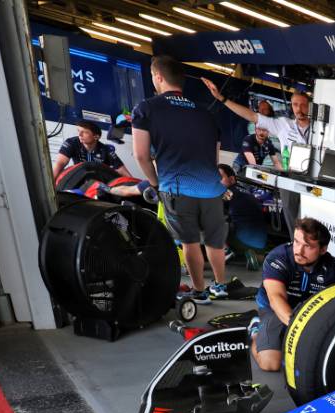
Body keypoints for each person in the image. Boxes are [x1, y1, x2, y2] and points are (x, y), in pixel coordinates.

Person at [133, 55, 229, 302]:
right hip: (211, 189)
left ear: (158, 77)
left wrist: (155, 184)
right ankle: (221, 285)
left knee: (190, 242)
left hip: (176, 188)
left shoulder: (147, 108)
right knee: (215, 241)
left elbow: (141, 155)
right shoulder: (206, 113)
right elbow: (215, 157)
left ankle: (199, 291)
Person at [201, 78, 313, 236]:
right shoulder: (284, 124)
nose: (299, 109)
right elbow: (252, 116)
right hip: (290, 180)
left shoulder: (320, 128)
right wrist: (222, 98)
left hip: (313, 181)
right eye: (295, 104)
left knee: (311, 222)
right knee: (294, 224)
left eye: (303, 104)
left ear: (310, 106)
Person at [250, 218, 335, 372]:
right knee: (270, 363)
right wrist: (298, 329)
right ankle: (256, 330)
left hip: (308, 312)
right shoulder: (278, 257)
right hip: (274, 309)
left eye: (307, 246)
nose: (299, 251)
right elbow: (276, 298)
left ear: (323, 250)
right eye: (296, 242)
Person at [218, 164, 268, 268]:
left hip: (242, 239)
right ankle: (248, 253)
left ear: (231, 179)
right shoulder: (245, 191)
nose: (216, 182)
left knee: (209, 217)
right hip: (261, 242)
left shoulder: (227, 193)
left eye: (220, 178)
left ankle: (226, 251)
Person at [54, 120, 132, 180]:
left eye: (85, 132)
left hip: (98, 183)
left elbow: (124, 173)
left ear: (96, 137)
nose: (80, 135)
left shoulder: (106, 150)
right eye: (79, 131)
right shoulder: (71, 143)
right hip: (78, 179)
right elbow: (60, 164)